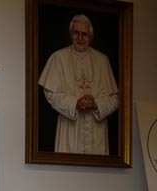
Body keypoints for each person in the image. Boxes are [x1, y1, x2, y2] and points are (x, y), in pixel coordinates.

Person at [38, 14, 118, 155]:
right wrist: (75, 103)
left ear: (91, 37)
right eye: (76, 33)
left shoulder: (102, 60)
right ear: (71, 34)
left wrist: (96, 104)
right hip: (69, 129)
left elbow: (114, 99)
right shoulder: (58, 58)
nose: (80, 38)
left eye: (84, 34)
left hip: (96, 132)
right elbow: (50, 93)